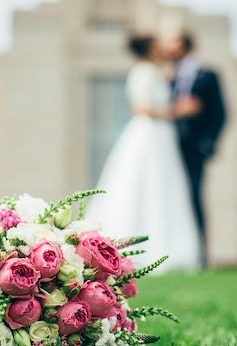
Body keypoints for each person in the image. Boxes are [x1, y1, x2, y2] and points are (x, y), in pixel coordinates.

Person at [86, 35, 200, 273]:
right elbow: (141, 108)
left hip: (161, 137)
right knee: (145, 185)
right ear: (150, 49)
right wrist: (177, 110)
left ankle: (170, 248)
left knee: (163, 189)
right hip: (149, 134)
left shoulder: (155, 72)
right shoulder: (143, 72)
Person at [163, 32, 226, 268]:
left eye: (173, 43)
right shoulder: (168, 79)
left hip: (193, 150)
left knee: (193, 198)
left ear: (185, 45)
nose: (169, 48)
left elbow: (221, 113)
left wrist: (205, 144)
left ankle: (199, 256)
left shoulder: (207, 76)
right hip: (167, 150)